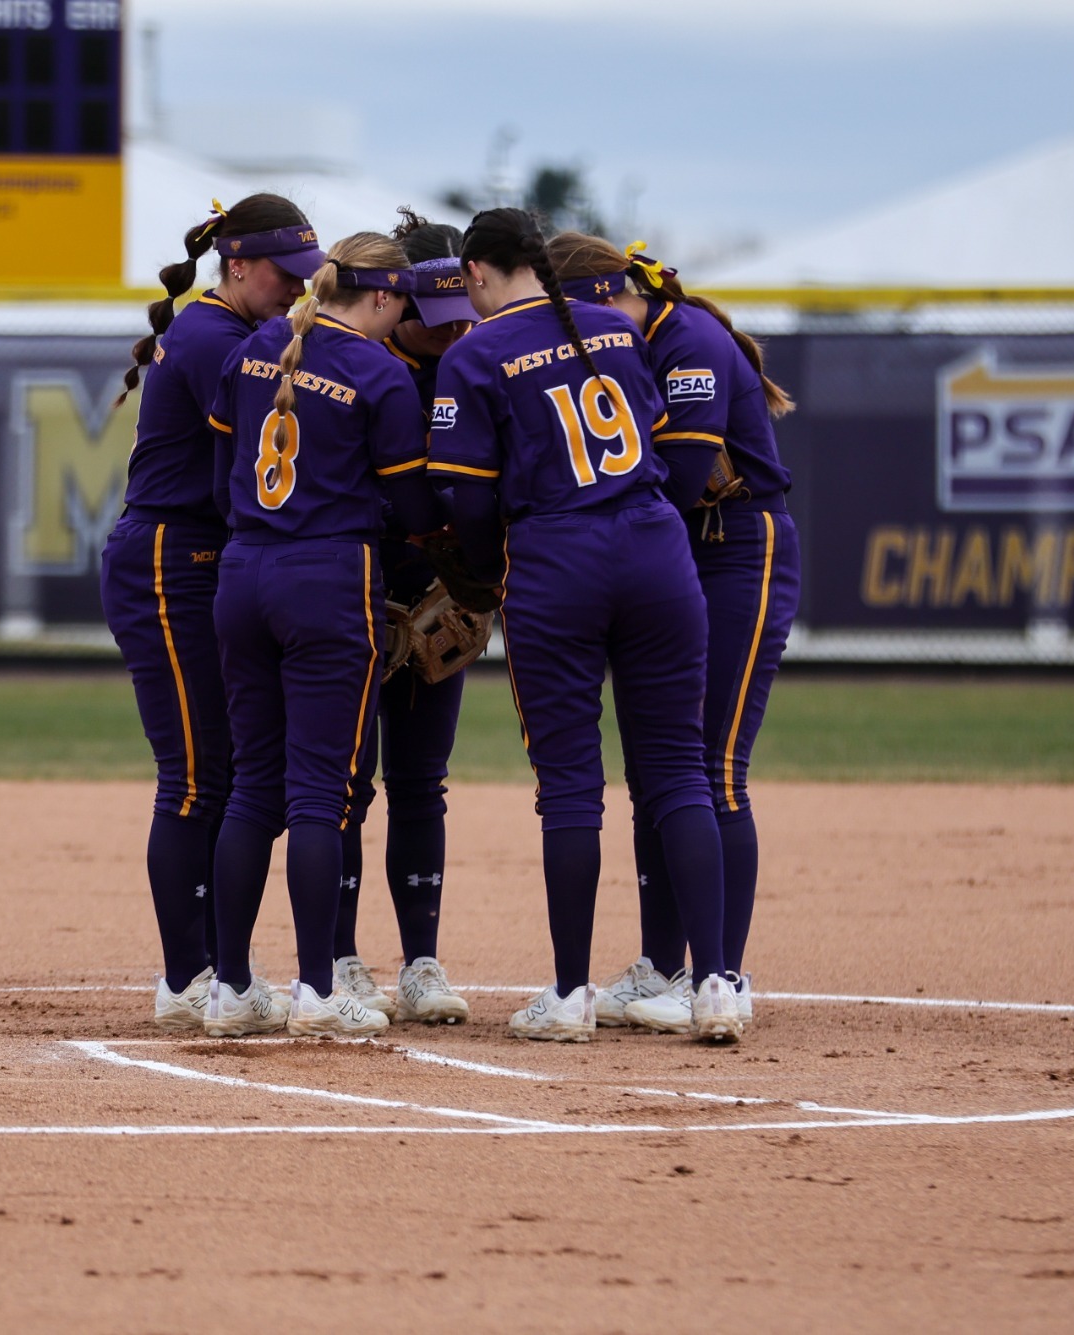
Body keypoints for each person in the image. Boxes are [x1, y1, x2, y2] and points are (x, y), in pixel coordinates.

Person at [429, 207, 740, 1043]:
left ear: (477, 274)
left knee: (570, 785)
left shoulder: (475, 351)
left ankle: (570, 993)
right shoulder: (613, 328)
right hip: (655, 549)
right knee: (678, 771)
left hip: (557, 558)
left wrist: (485, 568)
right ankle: (712, 983)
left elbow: (464, 492)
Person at [546, 234, 801, 1034]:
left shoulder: (686, 339)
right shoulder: (630, 342)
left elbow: (685, 479)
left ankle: (723, 973)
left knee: (711, 767)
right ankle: (663, 967)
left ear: (597, 296)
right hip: (674, 555)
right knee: (658, 774)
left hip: (737, 549)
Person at [202, 231, 447, 1038]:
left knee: (251, 789)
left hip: (243, 571)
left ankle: (232, 987)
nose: (403, 317)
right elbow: (413, 513)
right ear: (380, 296)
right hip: (328, 579)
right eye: (402, 302)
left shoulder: (257, 346)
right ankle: (316, 989)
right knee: (320, 792)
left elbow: (218, 476)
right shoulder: (380, 372)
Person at [102, 195, 327, 1033]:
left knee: (223, 772)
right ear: (238, 265)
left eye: (310, 278)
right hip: (167, 560)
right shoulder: (211, 338)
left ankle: (200, 967)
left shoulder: (223, 332)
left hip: (198, 558)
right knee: (198, 774)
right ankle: (186, 975)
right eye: (286, 275)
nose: (297, 292)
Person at [329, 210, 479, 1025]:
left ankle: (420, 963)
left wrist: (470, 586)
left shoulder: (470, 361)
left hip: (432, 602)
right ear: (394, 301)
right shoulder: (356, 363)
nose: (451, 329)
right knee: (346, 788)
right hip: (352, 599)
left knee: (421, 784)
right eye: (434, 313)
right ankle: (342, 960)